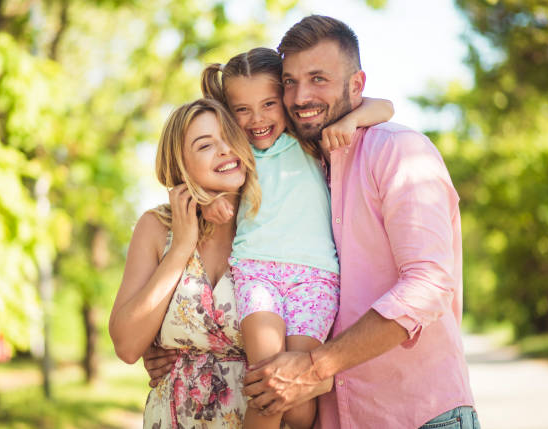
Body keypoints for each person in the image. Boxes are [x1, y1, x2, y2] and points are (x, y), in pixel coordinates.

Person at [241, 15, 480, 429]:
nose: (300, 96)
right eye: (291, 82)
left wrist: (316, 366)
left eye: (319, 78)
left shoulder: (401, 152)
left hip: (420, 415)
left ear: (356, 85)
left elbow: (429, 283)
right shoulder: (303, 164)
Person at [199, 47, 393, 429]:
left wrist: (351, 121)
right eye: (242, 109)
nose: (257, 119)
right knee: (266, 386)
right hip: (257, 273)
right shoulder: (239, 155)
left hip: (315, 278)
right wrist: (213, 205)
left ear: (286, 101)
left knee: (302, 404)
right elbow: (211, 185)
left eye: (269, 103)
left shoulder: (310, 140)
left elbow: (385, 107)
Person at [109, 98, 261, 428]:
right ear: (181, 167)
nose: (225, 150)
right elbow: (126, 345)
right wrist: (180, 248)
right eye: (205, 144)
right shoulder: (156, 227)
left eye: (229, 137)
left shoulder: (269, 223)